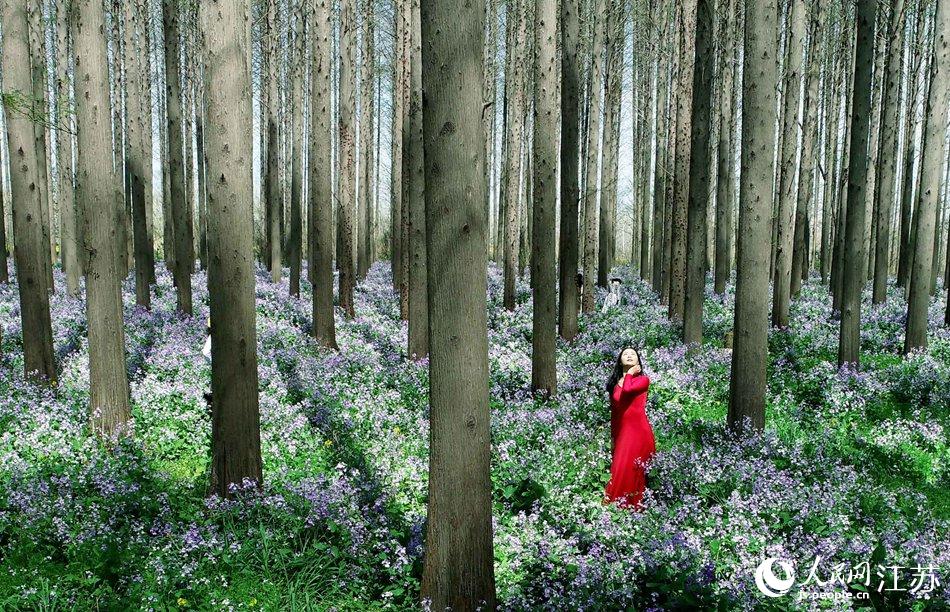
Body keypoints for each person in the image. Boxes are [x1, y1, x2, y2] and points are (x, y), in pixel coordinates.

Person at [603, 346, 656, 510]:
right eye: (625, 354)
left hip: (639, 433)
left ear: (638, 361)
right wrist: (613, 437)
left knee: (633, 471)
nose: (629, 355)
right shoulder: (615, 385)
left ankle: (635, 508)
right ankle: (616, 507)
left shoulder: (643, 380)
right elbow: (615, 414)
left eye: (633, 354)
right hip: (623, 434)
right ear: (620, 361)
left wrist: (630, 373)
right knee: (619, 469)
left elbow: (627, 390)